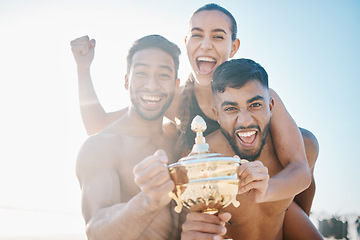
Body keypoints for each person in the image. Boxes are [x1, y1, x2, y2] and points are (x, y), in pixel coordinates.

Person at [71, 3, 319, 238]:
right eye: (198, 36)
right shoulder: (177, 98)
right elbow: (97, 124)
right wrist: (84, 68)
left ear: (233, 47)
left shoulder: (253, 94)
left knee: (307, 141)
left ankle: (295, 211)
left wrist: (271, 192)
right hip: (212, 198)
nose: (206, 45)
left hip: (265, 193)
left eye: (218, 37)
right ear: (187, 42)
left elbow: (299, 164)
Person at [181, 58, 322, 240]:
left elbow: (303, 174)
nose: (245, 121)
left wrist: (267, 190)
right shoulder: (204, 162)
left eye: (255, 105)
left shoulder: (299, 150)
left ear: (271, 106)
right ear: (217, 114)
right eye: (231, 108)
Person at [75, 35, 182, 240]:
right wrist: (148, 201)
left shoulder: (181, 137)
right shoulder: (101, 147)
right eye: (141, 73)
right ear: (126, 80)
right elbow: (97, 231)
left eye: (163, 75)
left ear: (176, 85)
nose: (151, 85)